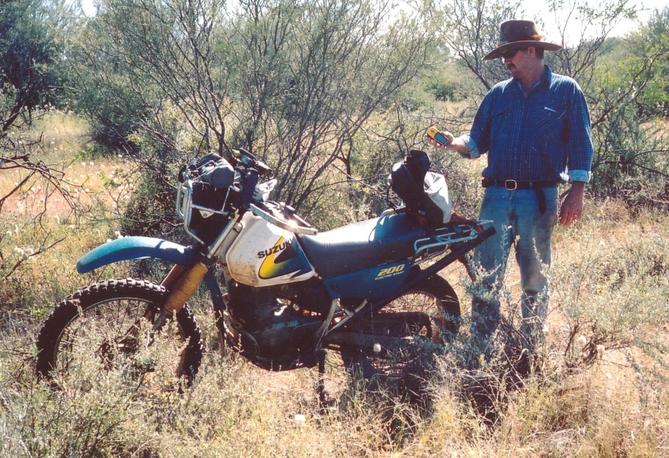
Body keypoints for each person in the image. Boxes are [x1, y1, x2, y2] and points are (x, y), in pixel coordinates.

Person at [430, 20, 594, 364]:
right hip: (496, 199)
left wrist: (577, 191)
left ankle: (529, 351)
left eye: (511, 52)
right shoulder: (498, 95)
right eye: (503, 53)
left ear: (532, 51)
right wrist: (452, 142)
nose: (506, 60)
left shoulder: (566, 91)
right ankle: (480, 350)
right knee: (486, 276)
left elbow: (581, 144)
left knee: (534, 278)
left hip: (540, 198)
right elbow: (475, 143)